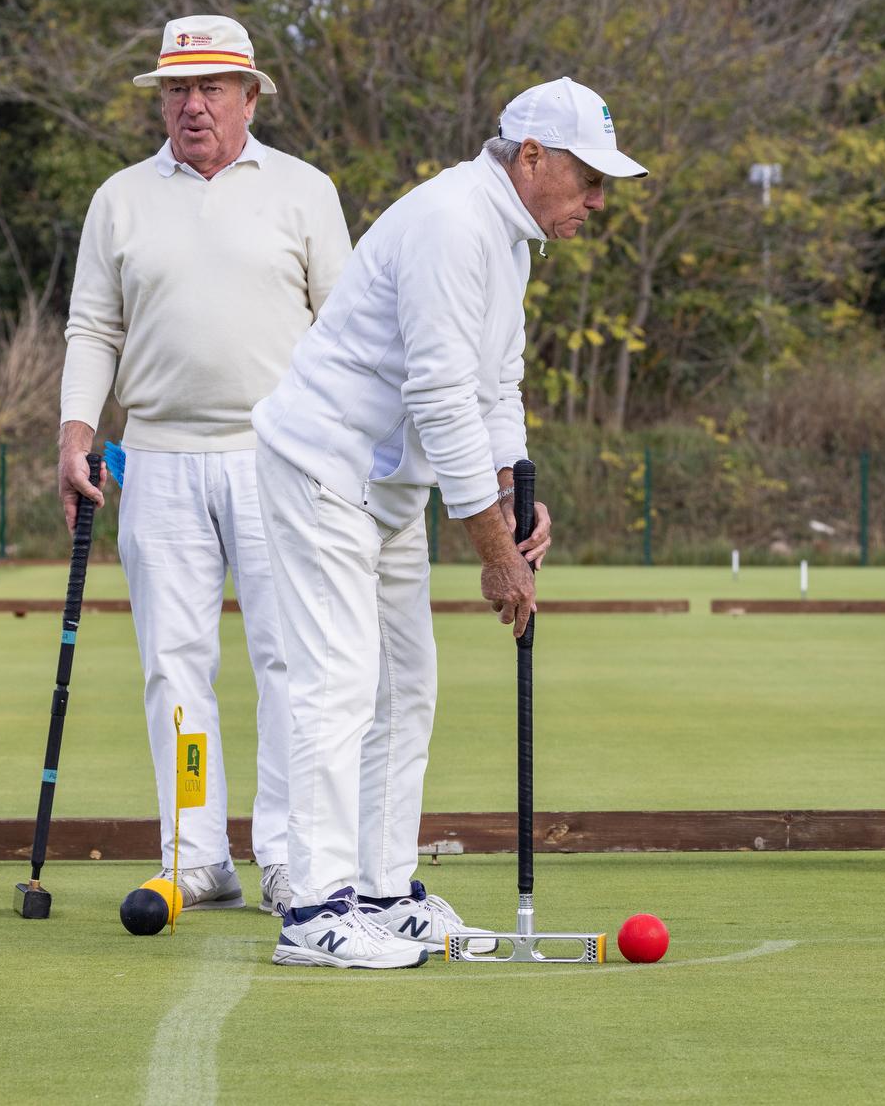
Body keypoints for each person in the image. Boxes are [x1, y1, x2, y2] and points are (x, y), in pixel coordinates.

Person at [252, 76, 648, 969]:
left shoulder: (509, 239)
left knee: (405, 688)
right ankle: (315, 910)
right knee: (338, 683)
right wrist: (496, 554)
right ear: (534, 158)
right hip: (323, 468)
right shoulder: (452, 224)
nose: (596, 201)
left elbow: (493, 383)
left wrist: (510, 492)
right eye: (589, 180)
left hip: (384, 489)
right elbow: (436, 396)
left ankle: (384, 890)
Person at [59, 14, 351, 916]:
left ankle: (289, 855)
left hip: (280, 459)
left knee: (288, 660)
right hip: (155, 458)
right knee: (175, 663)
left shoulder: (305, 192)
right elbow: (94, 328)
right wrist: (76, 433)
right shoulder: (120, 199)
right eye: (177, 89)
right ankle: (194, 851)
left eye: (212, 87)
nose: (192, 105)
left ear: (251, 96)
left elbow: (344, 332)